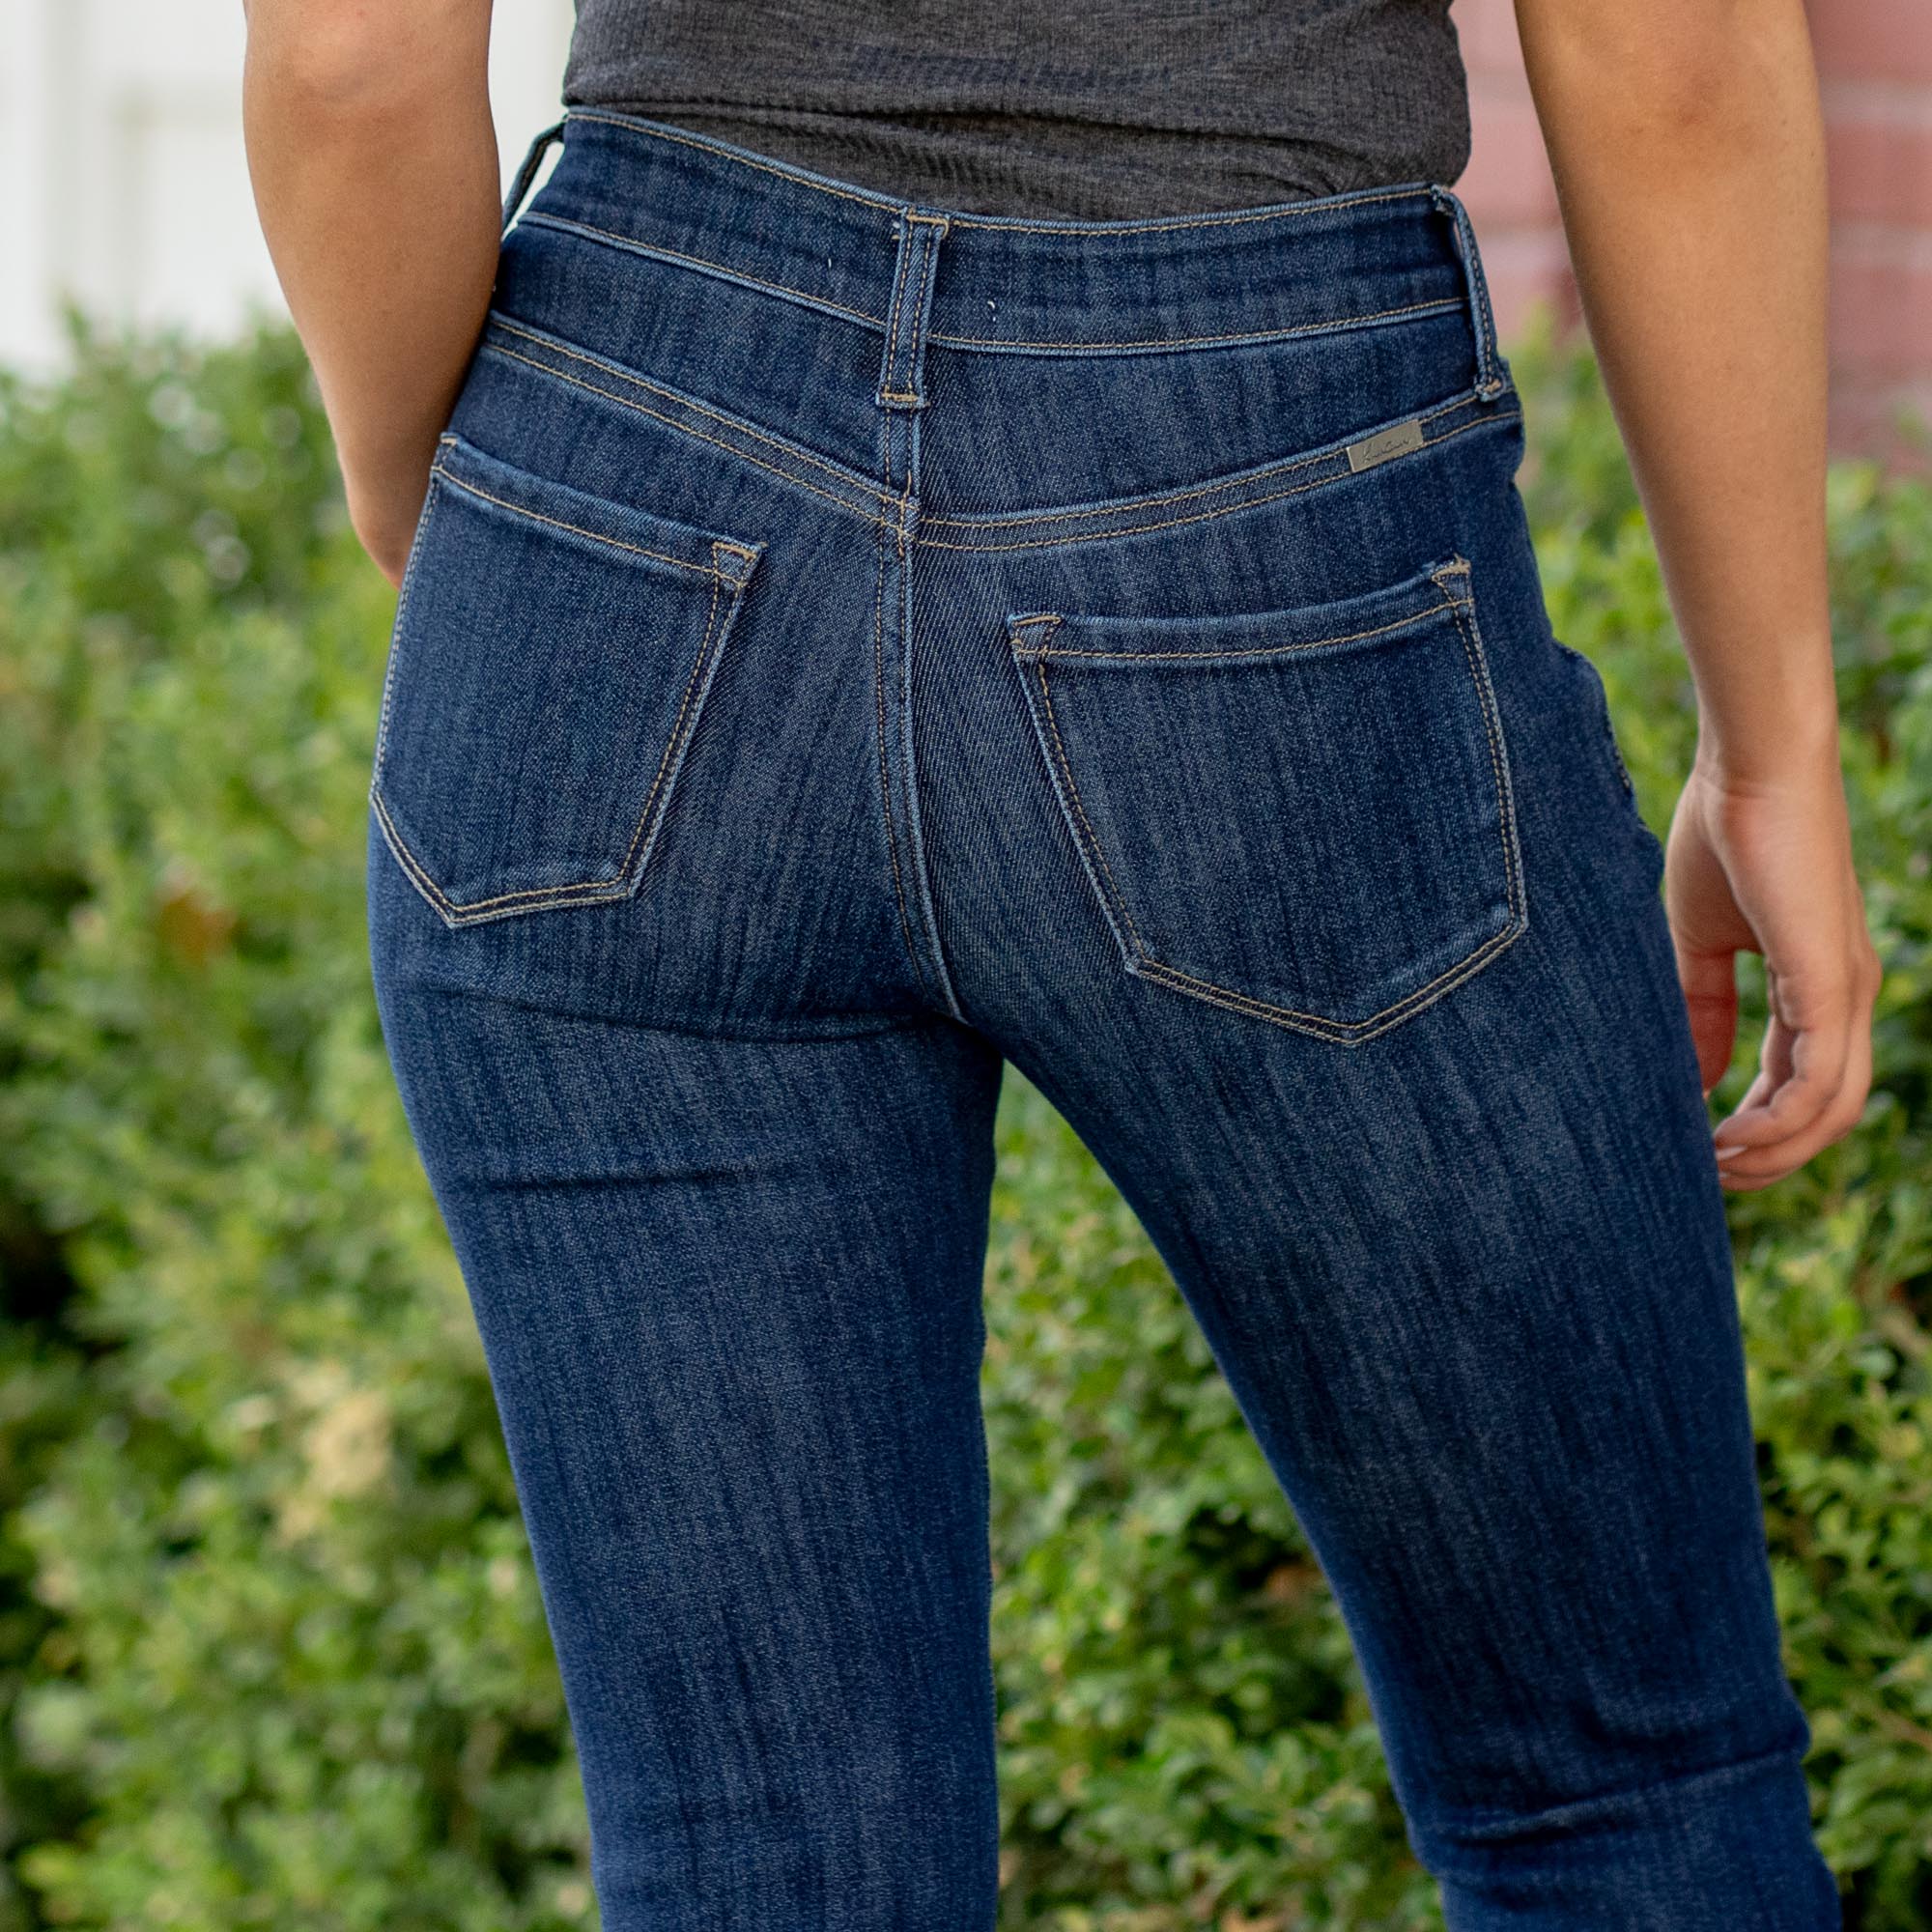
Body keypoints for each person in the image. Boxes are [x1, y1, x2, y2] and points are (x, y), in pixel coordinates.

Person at [241, 1, 1878, 1925]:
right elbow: (1664, 53)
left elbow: (351, 59)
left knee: (766, 1864)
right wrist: (1769, 744)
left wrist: (466, 518)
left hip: (629, 445)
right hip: (1264, 475)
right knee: (1617, 1799)